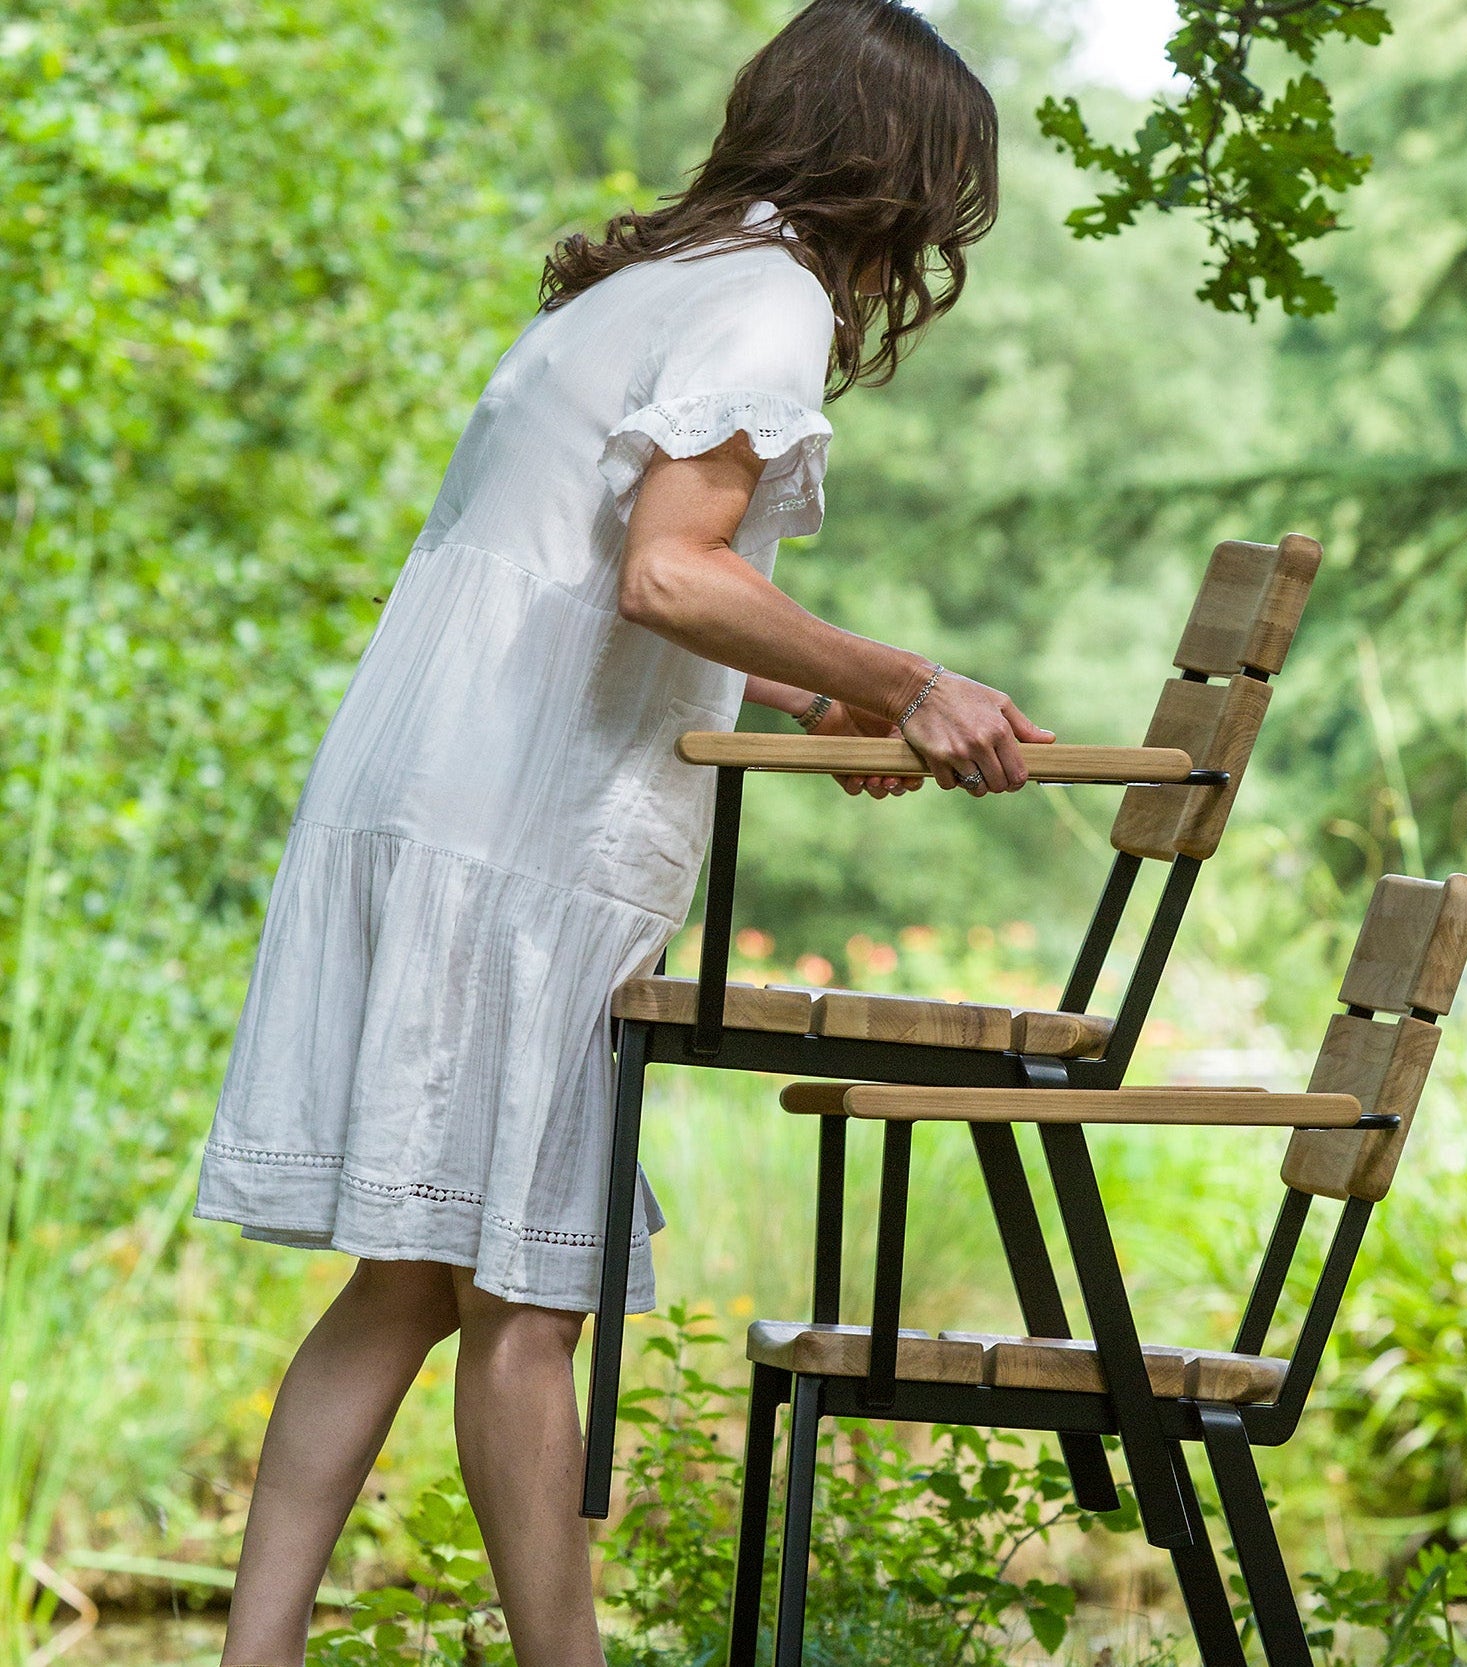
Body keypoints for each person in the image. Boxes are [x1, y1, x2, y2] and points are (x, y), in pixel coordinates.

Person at [198, 2, 1051, 1662]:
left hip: (414, 789)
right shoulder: (770, 297)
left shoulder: (642, 287)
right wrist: (912, 679)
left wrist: (812, 701)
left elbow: (615, 576)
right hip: (515, 836)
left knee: (406, 1280)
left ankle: (253, 1654)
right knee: (524, 1302)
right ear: (896, 178)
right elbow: (671, 569)